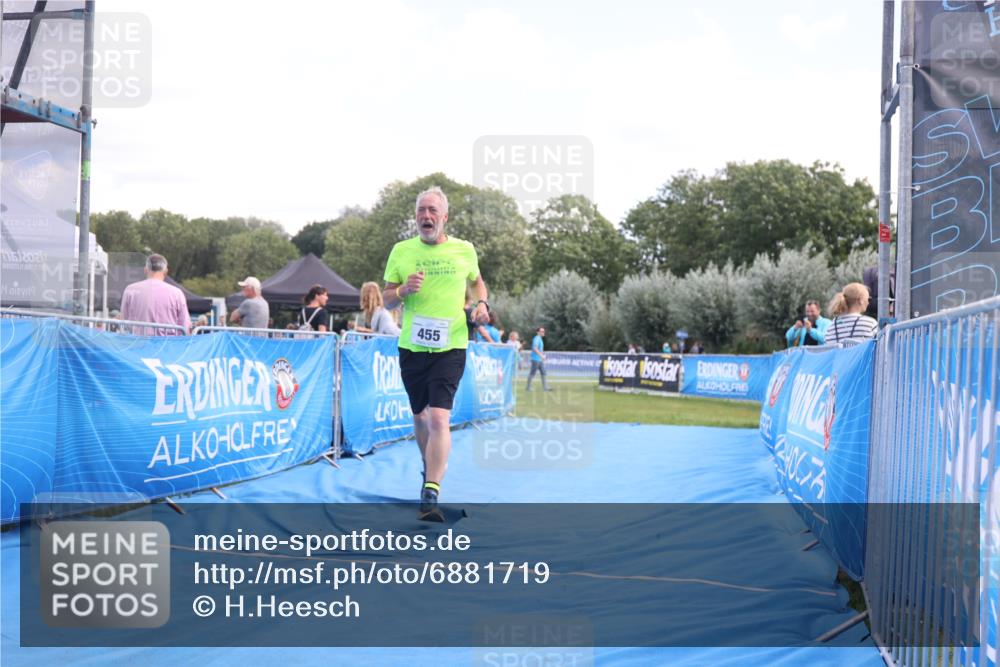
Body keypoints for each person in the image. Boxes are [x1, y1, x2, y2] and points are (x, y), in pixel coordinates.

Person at [381, 186, 489, 521]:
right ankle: (430, 468)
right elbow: (385, 300)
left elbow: (477, 283)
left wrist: (482, 303)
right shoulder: (401, 250)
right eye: (421, 211)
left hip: (451, 344)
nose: (426, 216)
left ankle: (431, 490)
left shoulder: (464, 250)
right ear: (416, 217)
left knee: (440, 417)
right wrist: (402, 289)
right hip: (413, 345)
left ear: (444, 217)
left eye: (432, 211)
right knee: (420, 417)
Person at [120, 254, 191, 335]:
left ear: (145, 270)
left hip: (138, 343)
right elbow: (185, 326)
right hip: (167, 344)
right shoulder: (177, 293)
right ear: (166, 272)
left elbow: (124, 320)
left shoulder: (130, 290)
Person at [526, 326, 551, 392]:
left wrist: (542, 356)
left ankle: (545, 387)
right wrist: (541, 356)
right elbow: (535, 348)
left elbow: (539, 349)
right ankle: (528, 388)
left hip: (539, 359)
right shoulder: (536, 338)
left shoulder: (539, 339)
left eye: (543, 331)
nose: (543, 332)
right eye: (542, 331)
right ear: (538, 332)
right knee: (532, 373)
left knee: (543, 372)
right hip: (535, 359)